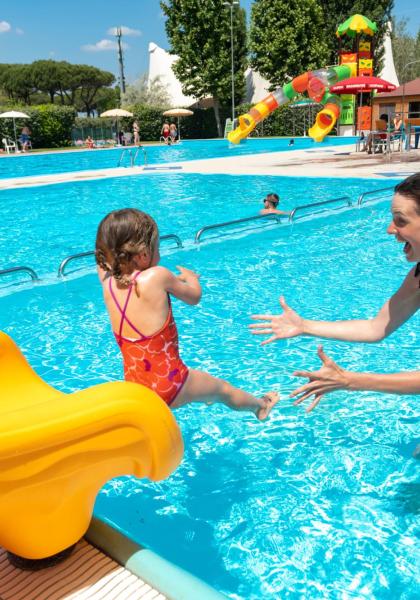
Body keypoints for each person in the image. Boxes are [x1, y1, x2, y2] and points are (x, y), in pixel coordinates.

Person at [249, 174, 420, 411]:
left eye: (400, 220)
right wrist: (304, 326)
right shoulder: (417, 277)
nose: (390, 229)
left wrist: (349, 380)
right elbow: (376, 327)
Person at [96, 208, 279, 419]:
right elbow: (194, 297)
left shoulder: (107, 283)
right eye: (158, 247)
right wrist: (192, 278)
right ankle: (261, 407)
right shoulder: (158, 276)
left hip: (137, 387)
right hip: (171, 383)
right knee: (224, 391)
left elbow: (104, 262)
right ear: (144, 254)